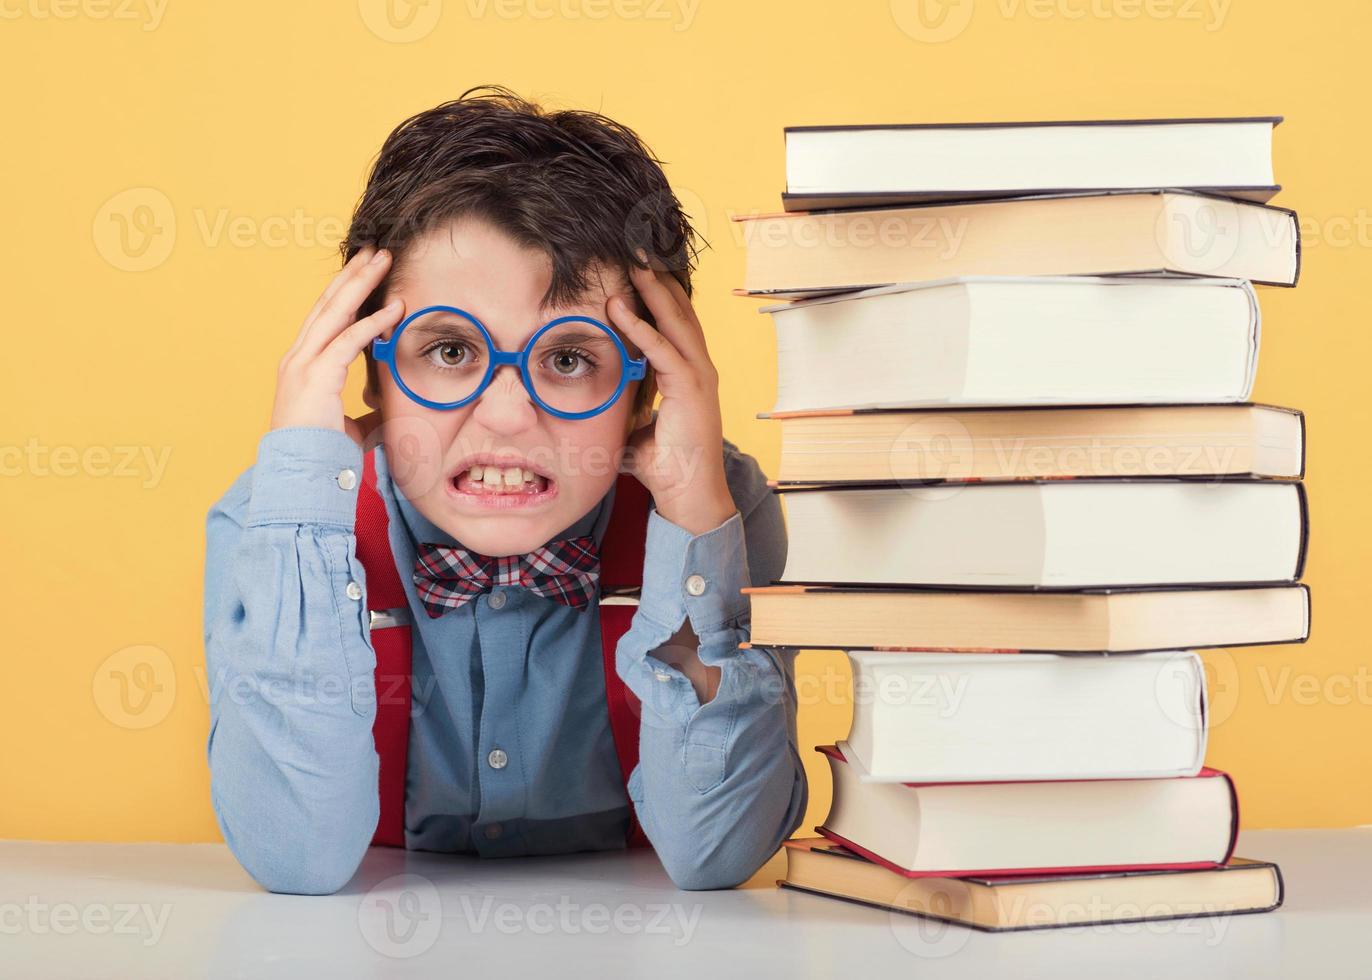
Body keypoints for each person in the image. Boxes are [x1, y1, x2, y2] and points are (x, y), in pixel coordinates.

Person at [202, 86, 807, 895]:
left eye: (567, 358)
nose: (507, 416)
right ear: (369, 371)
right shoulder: (280, 521)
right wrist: (300, 481)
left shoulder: (716, 510)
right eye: (450, 351)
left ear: (648, 388)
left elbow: (719, 852)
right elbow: (296, 858)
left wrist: (695, 512)